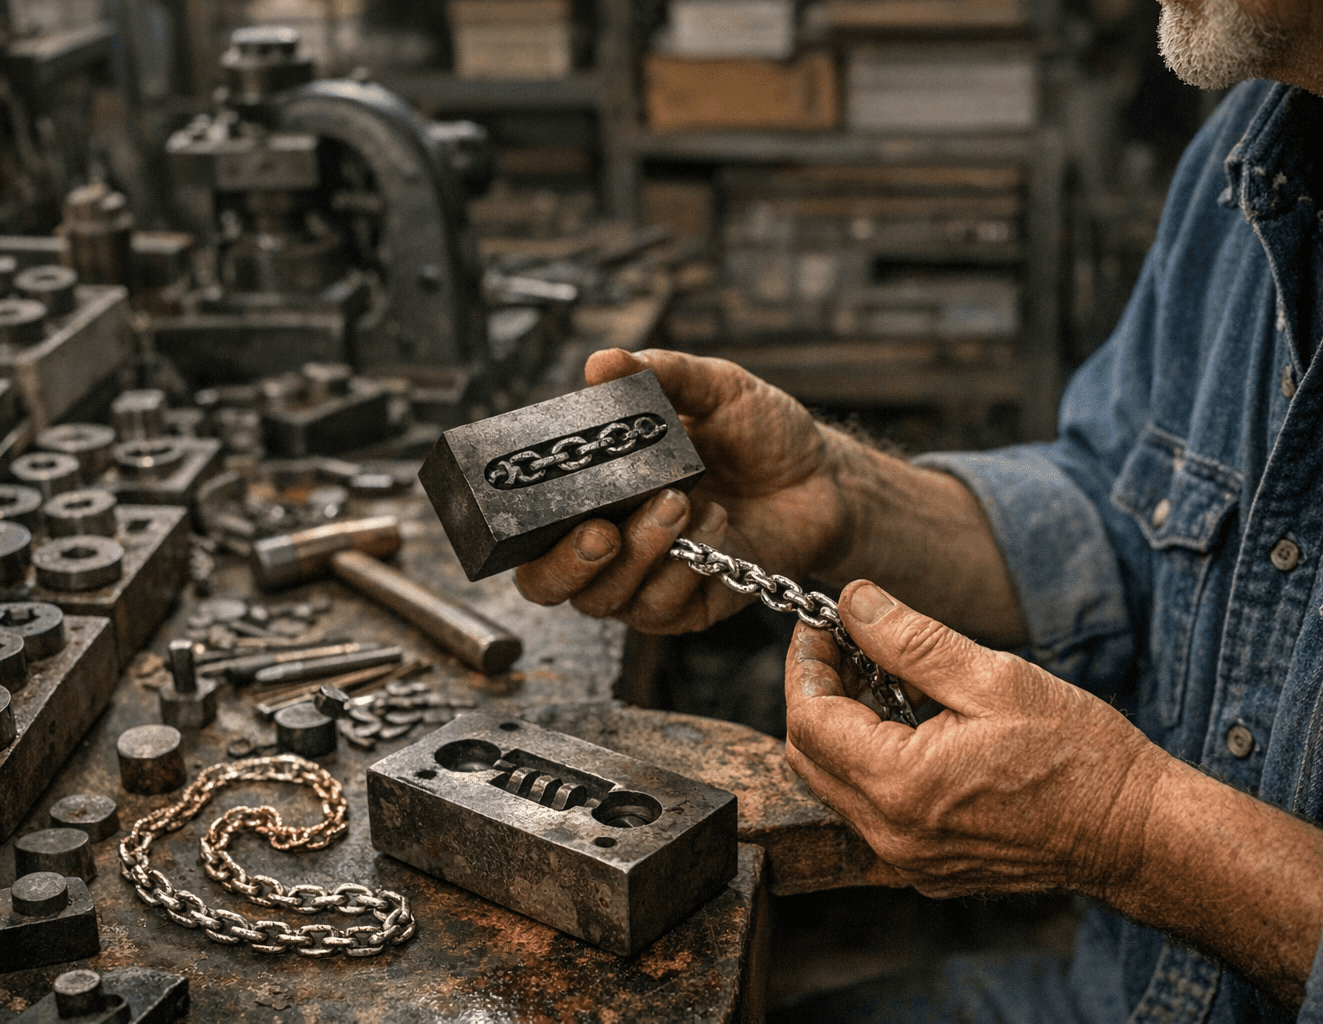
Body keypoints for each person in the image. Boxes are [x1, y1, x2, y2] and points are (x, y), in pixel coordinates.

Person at [512, 0, 1323, 1020]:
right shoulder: (1253, 144)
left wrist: (1133, 830)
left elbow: (1135, 828)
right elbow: (1135, 524)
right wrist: (844, 501)